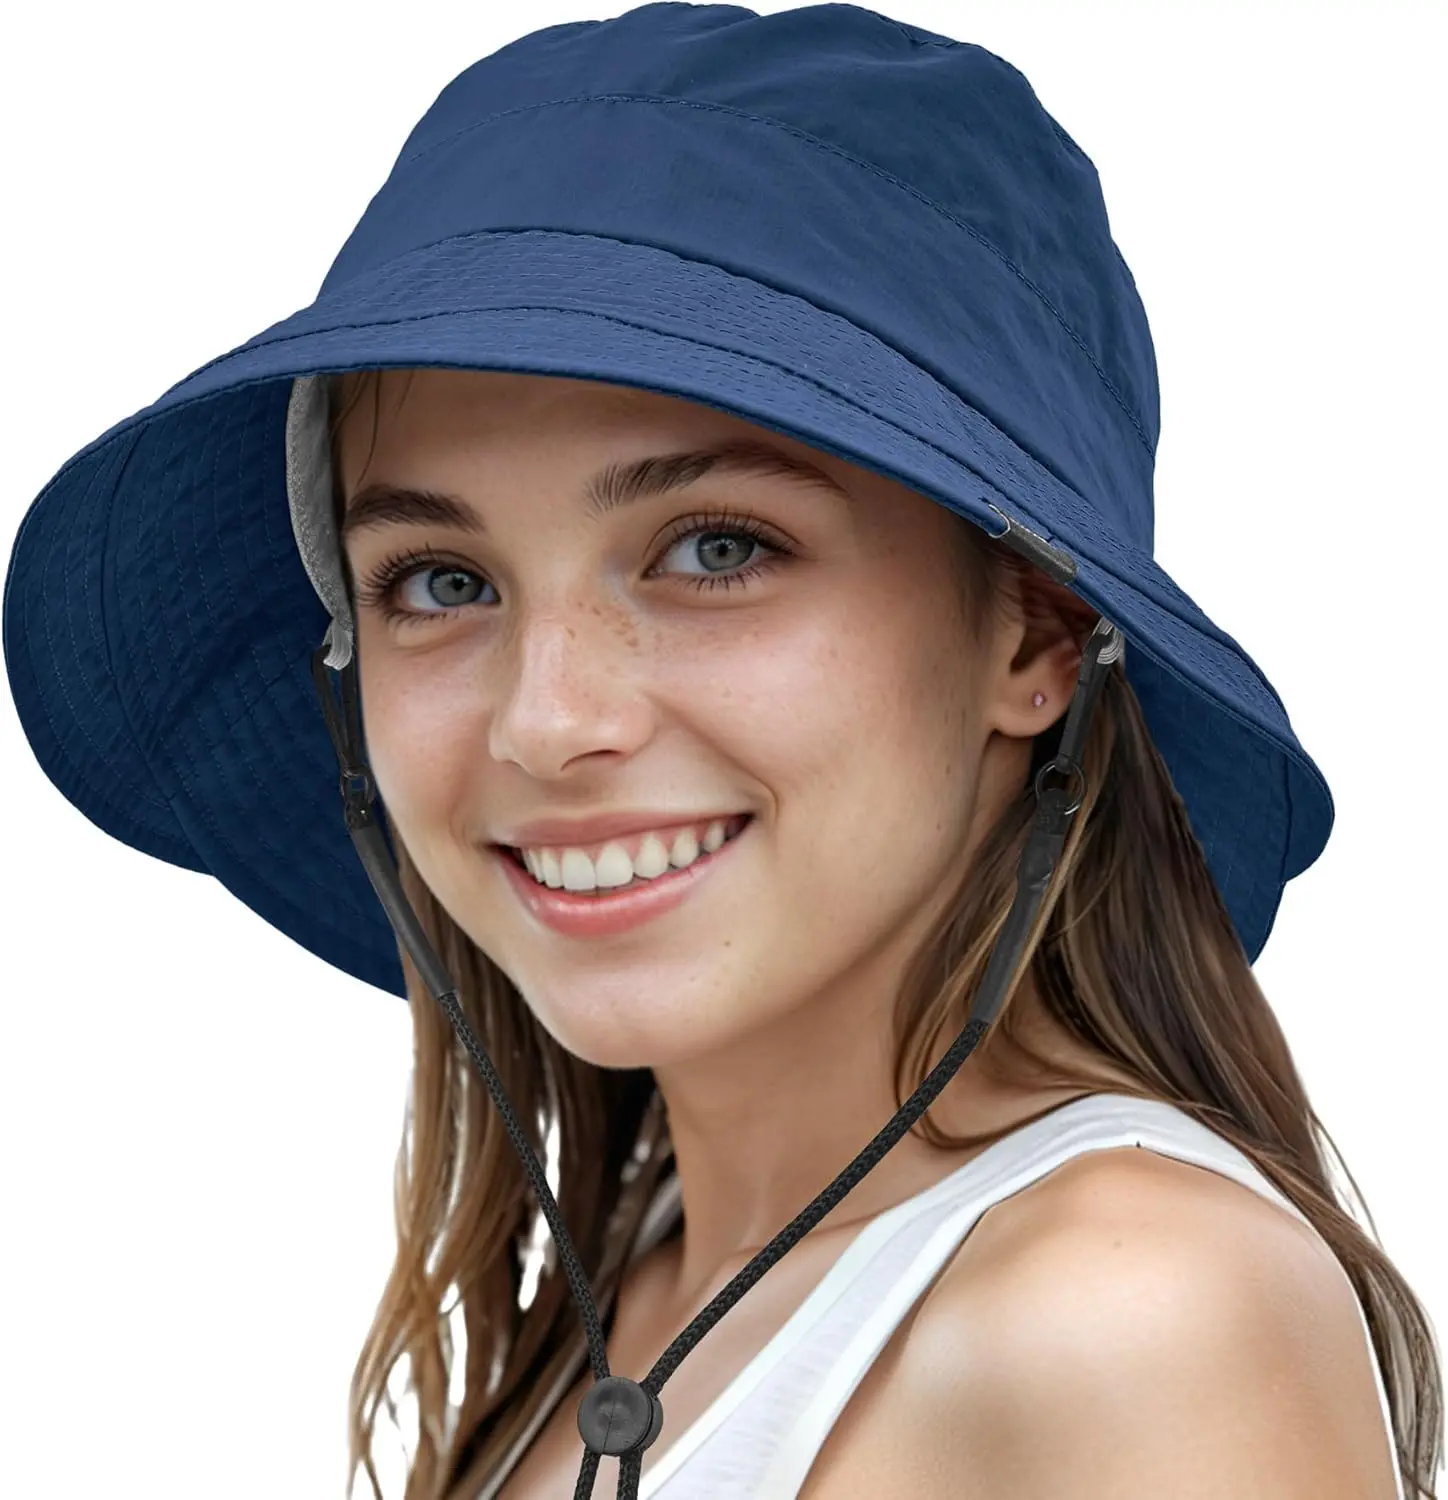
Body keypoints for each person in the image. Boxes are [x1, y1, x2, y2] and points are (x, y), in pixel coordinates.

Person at [3, 6, 1439, 1500]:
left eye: (717, 549)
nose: (548, 719)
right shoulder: (633, 1289)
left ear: (1036, 635)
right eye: (441, 580)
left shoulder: (1132, 1313)